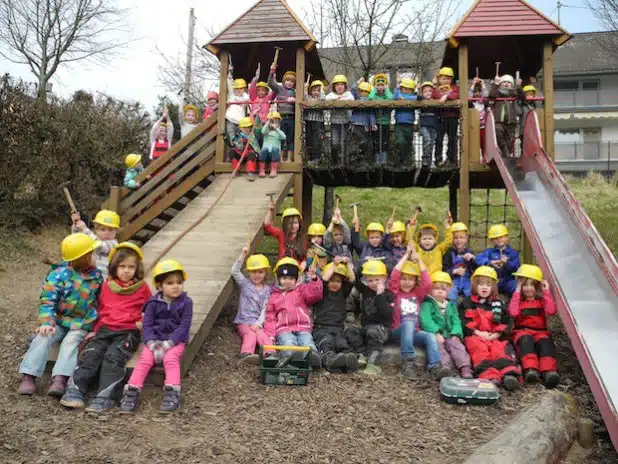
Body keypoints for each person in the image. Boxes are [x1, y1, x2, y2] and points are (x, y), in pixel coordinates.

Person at [60, 242, 151, 412]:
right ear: (114, 267)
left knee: (113, 357)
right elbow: (101, 309)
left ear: (137, 268)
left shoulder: (142, 288)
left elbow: (151, 309)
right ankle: (75, 390)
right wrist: (94, 330)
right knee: (91, 354)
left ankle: (105, 396)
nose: (126, 270)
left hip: (128, 331)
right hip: (105, 329)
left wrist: (144, 323)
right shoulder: (108, 286)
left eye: (131, 267)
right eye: (122, 266)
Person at [18, 233, 102, 396]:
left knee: (71, 342)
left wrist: (96, 327)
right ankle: (29, 375)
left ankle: (60, 378)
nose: (95, 256)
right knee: (43, 337)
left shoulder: (96, 276)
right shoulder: (58, 275)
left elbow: (100, 301)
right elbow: (47, 300)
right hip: (58, 320)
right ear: (82, 258)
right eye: (91, 254)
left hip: (81, 322)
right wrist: (46, 322)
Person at [119, 260, 193, 414]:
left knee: (170, 359)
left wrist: (170, 343)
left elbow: (184, 326)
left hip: (175, 340)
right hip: (155, 340)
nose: (176, 286)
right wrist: (151, 342)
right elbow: (148, 324)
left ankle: (172, 391)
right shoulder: (153, 303)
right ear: (159, 286)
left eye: (179, 282)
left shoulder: (186, 302)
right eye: (170, 283)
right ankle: (132, 389)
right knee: (145, 359)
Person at [460, 266, 521, 390]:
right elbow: (463, 320)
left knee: (500, 350)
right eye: (481, 284)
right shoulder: (466, 302)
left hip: (495, 336)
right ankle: (490, 376)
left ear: (493, 287)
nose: (484, 287)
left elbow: (507, 322)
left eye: (488, 285)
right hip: (476, 336)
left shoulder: (498, 303)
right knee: (480, 350)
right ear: (474, 285)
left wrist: (497, 334)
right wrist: (476, 332)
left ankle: (509, 374)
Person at [388, 242, 438, 380]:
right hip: (398, 331)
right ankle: (408, 362)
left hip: (415, 333)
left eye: (410, 279)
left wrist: (418, 259)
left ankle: (435, 367)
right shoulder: (395, 292)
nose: (406, 282)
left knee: (429, 336)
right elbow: (394, 275)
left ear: (415, 281)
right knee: (409, 324)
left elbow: (428, 283)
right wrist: (406, 255)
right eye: (403, 279)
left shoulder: (417, 294)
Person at [264, 257, 323, 368]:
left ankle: (312, 357)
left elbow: (314, 295)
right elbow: (270, 318)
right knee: (288, 343)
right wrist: (270, 336)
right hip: (284, 329)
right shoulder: (274, 296)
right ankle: (292, 357)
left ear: (296, 279)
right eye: (284, 278)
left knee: (307, 342)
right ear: (278, 279)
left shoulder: (301, 290)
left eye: (291, 278)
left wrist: (313, 279)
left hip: (303, 327)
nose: (287, 281)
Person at [508, 264, 559, 388]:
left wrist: (546, 291)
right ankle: (531, 369)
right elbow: (513, 312)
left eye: (532, 285)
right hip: (522, 331)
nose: (528, 288)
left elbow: (551, 311)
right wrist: (517, 291)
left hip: (540, 332)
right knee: (526, 341)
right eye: (525, 284)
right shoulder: (518, 301)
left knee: (545, 343)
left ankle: (548, 372)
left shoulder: (541, 300)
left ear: (537, 286)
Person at [420, 271, 473, 378]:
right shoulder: (427, 304)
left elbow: (456, 320)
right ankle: (445, 367)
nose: (440, 291)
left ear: (448, 290)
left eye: (443, 289)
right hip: (435, 334)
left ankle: (465, 368)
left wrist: (456, 333)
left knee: (457, 346)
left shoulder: (451, 305)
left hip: (449, 333)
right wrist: (436, 332)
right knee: (438, 347)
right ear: (430, 289)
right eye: (436, 288)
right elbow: (426, 320)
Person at [346, 259, 394, 375]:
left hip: (382, 330)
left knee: (372, 332)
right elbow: (355, 280)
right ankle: (363, 355)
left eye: (377, 280)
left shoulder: (389, 294)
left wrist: (380, 295)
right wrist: (348, 264)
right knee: (350, 331)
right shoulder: (365, 290)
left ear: (385, 278)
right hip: (367, 327)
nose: (373, 283)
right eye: (370, 280)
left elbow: (388, 313)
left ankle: (374, 363)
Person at [313, 258, 359, 372]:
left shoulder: (343, 292)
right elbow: (324, 279)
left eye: (338, 281)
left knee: (341, 343)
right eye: (332, 281)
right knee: (326, 342)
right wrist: (334, 264)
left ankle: (347, 360)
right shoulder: (322, 291)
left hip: (338, 328)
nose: (334, 284)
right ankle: (329, 360)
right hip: (322, 327)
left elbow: (352, 279)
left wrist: (348, 264)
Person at [232, 248, 274, 362]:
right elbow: (235, 271)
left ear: (266, 273)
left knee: (262, 335)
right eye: (254, 272)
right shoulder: (244, 283)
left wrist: (259, 323)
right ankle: (246, 353)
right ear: (249, 272)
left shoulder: (267, 290)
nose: (257, 275)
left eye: (260, 272)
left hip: (257, 322)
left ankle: (270, 353)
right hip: (244, 321)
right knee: (250, 334)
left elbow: (265, 309)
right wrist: (243, 255)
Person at [71, 209, 120, 280]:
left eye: (111, 230)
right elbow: (76, 241)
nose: (107, 233)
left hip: (105, 282)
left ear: (116, 231)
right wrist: (76, 226)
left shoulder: (114, 244)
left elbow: (100, 246)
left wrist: (84, 229)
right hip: (90, 280)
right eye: (102, 229)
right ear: (96, 230)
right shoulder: (92, 239)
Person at [476, 224, 520, 296]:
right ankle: (485, 304)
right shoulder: (489, 251)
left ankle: (514, 303)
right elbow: (478, 259)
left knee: (515, 286)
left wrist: (506, 263)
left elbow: (516, 268)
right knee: (482, 287)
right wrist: (490, 262)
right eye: (496, 238)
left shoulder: (513, 253)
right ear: (492, 240)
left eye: (501, 237)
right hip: (492, 281)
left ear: (507, 237)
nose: (499, 239)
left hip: (507, 281)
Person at [489, 74, 523, 157]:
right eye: (504, 82)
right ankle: (505, 153)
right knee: (498, 132)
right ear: (500, 84)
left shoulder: (513, 93)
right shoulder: (497, 93)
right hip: (499, 120)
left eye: (509, 82)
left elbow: (523, 97)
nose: (506, 84)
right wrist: (495, 84)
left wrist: (518, 86)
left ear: (512, 84)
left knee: (509, 141)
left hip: (511, 121)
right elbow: (491, 95)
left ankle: (507, 154)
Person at [268, 65, 296, 162]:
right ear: (284, 80)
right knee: (280, 137)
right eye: (288, 80)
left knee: (290, 138)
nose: (289, 83)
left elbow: (301, 99)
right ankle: (280, 158)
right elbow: (270, 83)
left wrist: (295, 99)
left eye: (292, 81)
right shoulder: (279, 89)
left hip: (291, 118)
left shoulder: (295, 92)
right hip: (281, 117)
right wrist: (272, 71)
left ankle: (289, 158)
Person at [433, 67, 460, 166]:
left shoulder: (455, 88)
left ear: (451, 79)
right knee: (439, 138)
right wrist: (442, 95)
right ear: (439, 79)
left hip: (452, 117)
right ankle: (438, 158)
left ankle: (451, 159)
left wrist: (446, 96)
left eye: (448, 78)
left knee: (452, 139)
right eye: (443, 78)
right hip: (440, 117)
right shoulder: (436, 89)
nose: (446, 80)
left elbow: (456, 94)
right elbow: (435, 95)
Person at [442, 222, 476, 301]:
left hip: (467, 280)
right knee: (450, 294)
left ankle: (470, 311)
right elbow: (444, 270)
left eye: (461, 237)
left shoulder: (470, 252)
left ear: (466, 238)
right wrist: (454, 271)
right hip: (454, 281)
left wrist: (473, 259)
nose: (458, 240)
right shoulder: (449, 252)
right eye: (455, 237)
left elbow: (476, 268)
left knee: (472, 294)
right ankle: (452, 312)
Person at [325, 75, 354, 165]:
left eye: (342, 84)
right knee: (334, 143)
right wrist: (336, 99)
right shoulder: (331, 95)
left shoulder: (348, 94)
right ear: (334, 87)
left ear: (345, 86)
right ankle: (334, 161)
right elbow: (327, 99)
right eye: (337, 85)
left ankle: (343, 163)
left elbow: (351, 99)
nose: (340, 86)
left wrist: (341, 99)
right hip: (334, 123)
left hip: (345, 122)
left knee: (343, 142)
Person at [349, 80, 376, 165]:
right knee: (355, 142)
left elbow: (371, 113)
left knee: (364, 142)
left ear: (369, 92)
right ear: (359, 91)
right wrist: (357, 82)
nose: (363, 93)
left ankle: (362, 160)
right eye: (362, 91)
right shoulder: (356, 98)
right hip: (355, 124)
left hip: (365, 125)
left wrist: (373, 123)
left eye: (366, 91)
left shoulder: (370, 101)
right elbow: (353, 89)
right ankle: (353, 160)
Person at [368, 73, 393, 164]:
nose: (380, 87)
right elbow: (370, 98)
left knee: (385, 141)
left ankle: (384, 160)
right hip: (377, 122)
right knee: (376, 141)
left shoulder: (387, 94)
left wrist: (386, 89)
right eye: (378, 85)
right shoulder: (374, 95)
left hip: (386, 122)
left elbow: (390, 98)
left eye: (382, 85)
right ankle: (377, 161)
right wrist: (374, 89)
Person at [393, 77, 417, 166]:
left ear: (412, 90)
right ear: (401, 88)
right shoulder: (398, 95)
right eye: (404, 88)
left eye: (408, 89)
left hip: (409, 124)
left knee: (408, 142)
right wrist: (398, 85)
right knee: (400, 141)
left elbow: (416, 98)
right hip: (399, 123)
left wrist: (404, 99)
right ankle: (399, 158)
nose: (406, 90)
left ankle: (405, 160)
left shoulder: (412, 97)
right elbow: (395, 96)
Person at [226, 65, 250, 151]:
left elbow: (248, 100)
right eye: (237, 89)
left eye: (241, 89)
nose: (239, 90)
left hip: (240, 122)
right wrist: (230, 72)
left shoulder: (245, 97)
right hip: (231, 120)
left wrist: (245, 102)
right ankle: (234, 148)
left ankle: (238, 150)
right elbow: (229, 82)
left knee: (240, 137)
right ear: (234, 89)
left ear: (244, 89)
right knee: (231, 135)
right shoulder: (232, 95)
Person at [249, 63, 275, 138]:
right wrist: (255, 79)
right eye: (259, 90)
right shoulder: (254, 98)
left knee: (264, 136)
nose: (260, 92)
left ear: (266, 92)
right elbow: (251, 89)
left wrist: (273, 78)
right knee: (255, 136)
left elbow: (275, 91)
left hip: (264, 121)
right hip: (254, 121)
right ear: (256, 91)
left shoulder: (268, 98)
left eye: (263, 90)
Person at [231, 116, 259, 182]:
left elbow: (255, 145)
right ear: (240, 128)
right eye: (245, 127)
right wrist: (241, 141)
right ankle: (236, 170)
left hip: (249, 153)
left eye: (249, 127)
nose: (247, 129)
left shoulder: (253, 134)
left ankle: (250, 173)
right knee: (232, 152)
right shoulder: (238, 135)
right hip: (240, 153)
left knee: (252, 155)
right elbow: (237, 145)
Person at [304, 80, 326, 162]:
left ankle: (317, 158)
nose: (316, 92)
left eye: (318, 90)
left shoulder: (321, 98)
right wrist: (305, 89)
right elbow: (305, 97)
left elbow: (323, 98)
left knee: (317, 140)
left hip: (318, 122)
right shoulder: (309, 98)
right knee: (309, 139)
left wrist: (322, 91)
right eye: (314, 90)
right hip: (309, 121)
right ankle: (310, 158)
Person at [259, 111, 285, 178]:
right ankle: (262, 170)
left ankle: (273, 170)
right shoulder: (266, 132)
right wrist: (268, 123)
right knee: (264, 149)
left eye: (276, 122)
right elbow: (262, 131)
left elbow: (284, 137)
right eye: (272, 122)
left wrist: (276, 129)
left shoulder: (278, 132)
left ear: (279, 123)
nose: (274, 124)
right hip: (266, 155)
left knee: (275, 148)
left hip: (274, 155)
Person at [418, 81, 438, 168]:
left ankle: (428, 162)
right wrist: (418, 89)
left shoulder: (435, 101)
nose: (428, 93)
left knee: (431, 143)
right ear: (422, 93)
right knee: (427, 139)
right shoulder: (422, 100)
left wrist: (436, 86)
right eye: (425, 91)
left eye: (430, 91)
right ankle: (425, 159)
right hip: (423, 126)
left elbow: (438, 96)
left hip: (433, 126)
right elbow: (417, 97)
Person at [469, 77, 488, 159]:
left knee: (484, 144)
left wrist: (483, 85)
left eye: (479, 92)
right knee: (474, 144)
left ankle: (485, 158)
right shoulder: (471, 103)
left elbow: (487, 95)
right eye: (475, 92)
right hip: (474, 127)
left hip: (483, 127)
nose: (477, 94)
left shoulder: (484, 103)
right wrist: (472, 85)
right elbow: (468, 97)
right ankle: (473, 159)